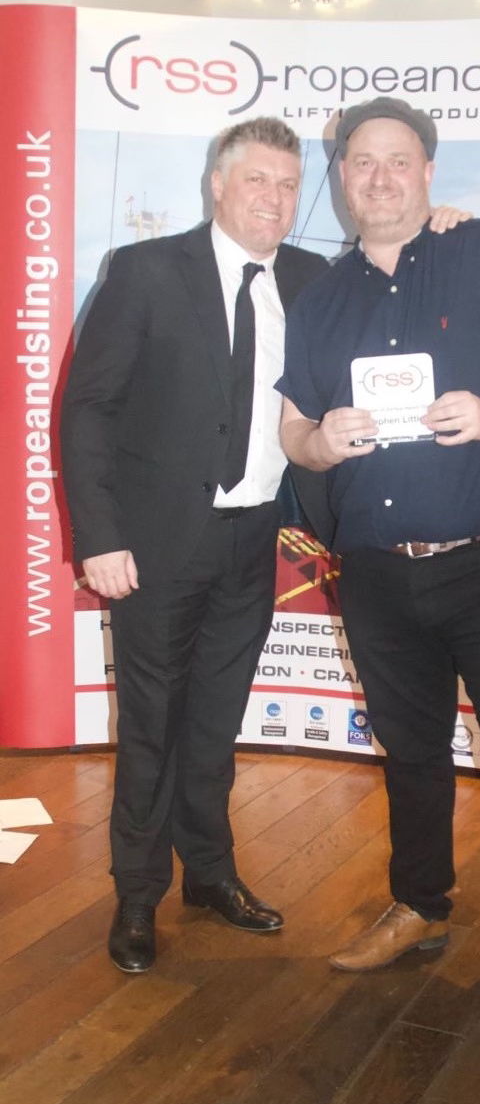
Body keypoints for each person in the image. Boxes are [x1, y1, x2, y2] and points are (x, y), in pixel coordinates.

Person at [279, 96, 480, 1062]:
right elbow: (293, 421)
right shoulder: (322, 293)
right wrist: (318, 445)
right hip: (374, 571)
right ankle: (418, 902)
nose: (379, 177)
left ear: (428, 171)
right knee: (409, 753)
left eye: (398, 160)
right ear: (340, 176)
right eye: (360, 161)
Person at [61, 118, 330, 973]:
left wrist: (446, 223)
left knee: (215, 724)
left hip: (254, 541)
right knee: (151, 725)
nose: (275, 200)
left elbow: (392, 285)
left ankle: (208, 874)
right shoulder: (145, 271)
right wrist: (98, 536)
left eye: (289, 185)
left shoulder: (312, 277)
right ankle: (137, 895)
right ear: (217, 184)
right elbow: (87, 410)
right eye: (258, 180)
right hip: (153, 547)